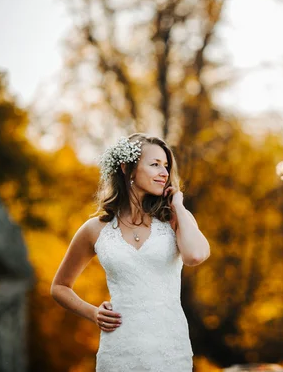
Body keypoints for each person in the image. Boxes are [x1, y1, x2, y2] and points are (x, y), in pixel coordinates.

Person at [50, 133, 210, 372]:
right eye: (155, 164)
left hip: (169, 350)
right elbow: (59, 287)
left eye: (166, 166)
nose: (164, 173)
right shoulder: (95, 229)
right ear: (128, 168)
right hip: (119, 350)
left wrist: (177, 205)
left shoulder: (175, 219)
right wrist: (93, 313)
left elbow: (195, 256)